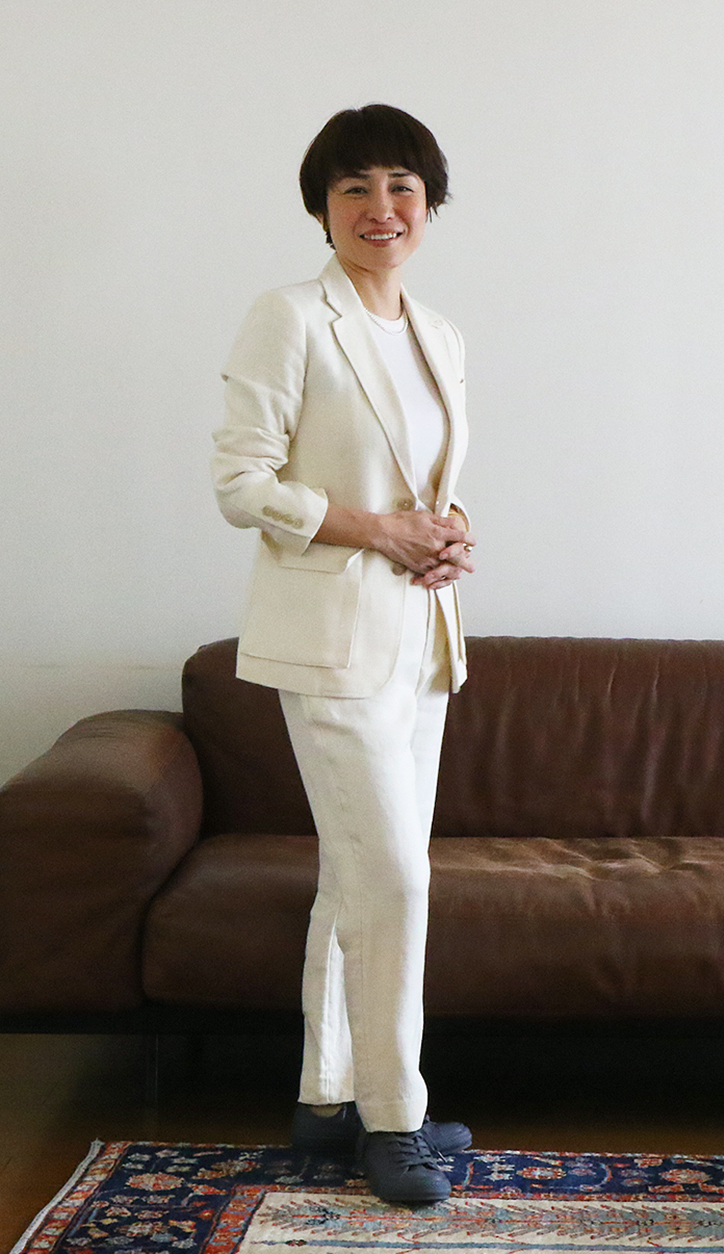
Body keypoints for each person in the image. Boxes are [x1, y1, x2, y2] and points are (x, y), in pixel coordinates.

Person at [211, 104, 475, 1203]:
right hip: (328, 641)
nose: (381, 207)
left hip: (420, 639)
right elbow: (241, 484)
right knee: (396, 879)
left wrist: (448, 530)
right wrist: (379, 532)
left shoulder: (436, 333)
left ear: (429, 203)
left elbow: (420, 484)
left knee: (356, 873)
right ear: (321, 205)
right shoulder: (289, 317)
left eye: (402, 185)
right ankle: (394, 1118)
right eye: (355, 186)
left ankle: (326, 1096)